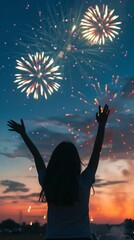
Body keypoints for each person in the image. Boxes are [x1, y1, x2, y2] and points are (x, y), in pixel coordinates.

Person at [7, 104, 110, 240]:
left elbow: (36, 157)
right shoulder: (83, 182)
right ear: (75, 162)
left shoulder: (48, 182)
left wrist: (24, 134)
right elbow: (96, 152)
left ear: (54, 162)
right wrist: (101, 125)